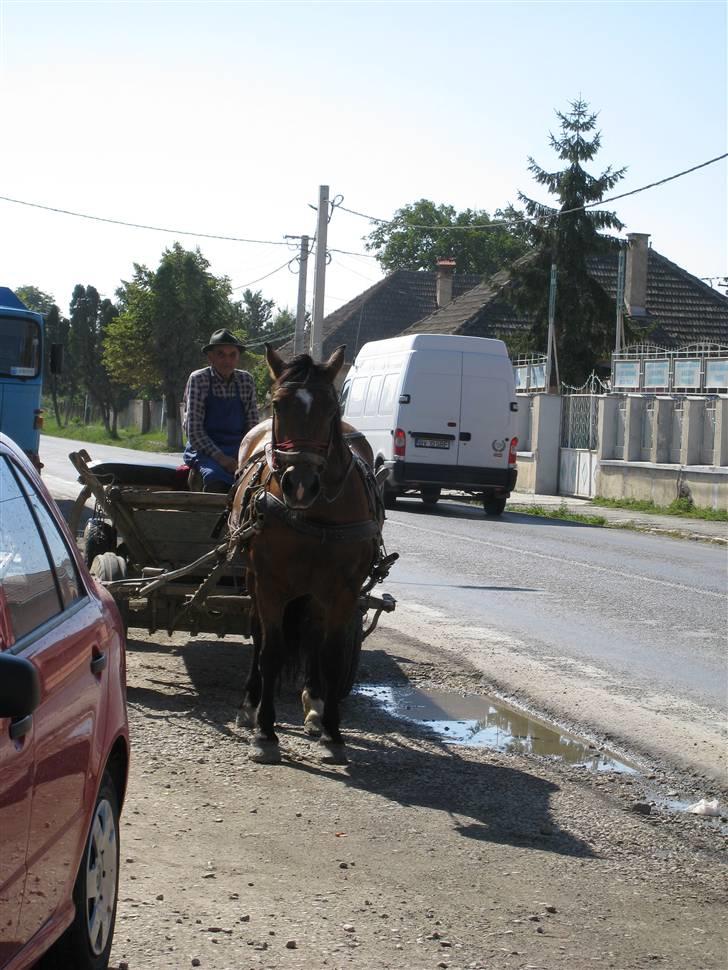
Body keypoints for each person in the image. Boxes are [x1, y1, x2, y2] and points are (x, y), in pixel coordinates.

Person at [183, 329, 259, 492]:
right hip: (206, 451)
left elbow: (252, 427)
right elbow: (194, 431)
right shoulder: (199, 379)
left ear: (238, 357)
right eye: (221, 354)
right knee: (215, 479)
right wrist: (222, 459)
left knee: (258, 481)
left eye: (232, 355)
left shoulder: (246, 380)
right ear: (211, 357)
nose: (227, 360)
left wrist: (242, 456)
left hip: (239, 450)